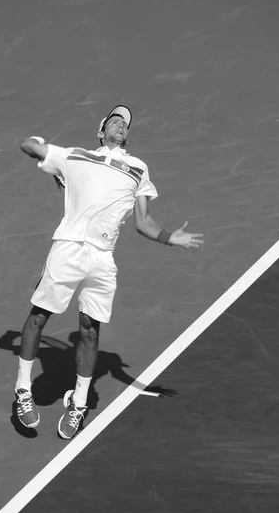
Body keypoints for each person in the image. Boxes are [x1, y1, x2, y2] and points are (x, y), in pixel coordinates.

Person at [15, 105, 204, 439]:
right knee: (39, 318)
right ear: (101, 132)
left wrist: (168, 237)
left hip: (102, 259)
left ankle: (79, 404)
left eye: (125, 125)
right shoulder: (75, 156)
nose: (121, 125)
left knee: (90, 331)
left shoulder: (138, 169)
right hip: (69, 248)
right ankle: (23, 392)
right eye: (114, 121)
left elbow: (143, 222)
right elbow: (29, 146)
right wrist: (42, 147)